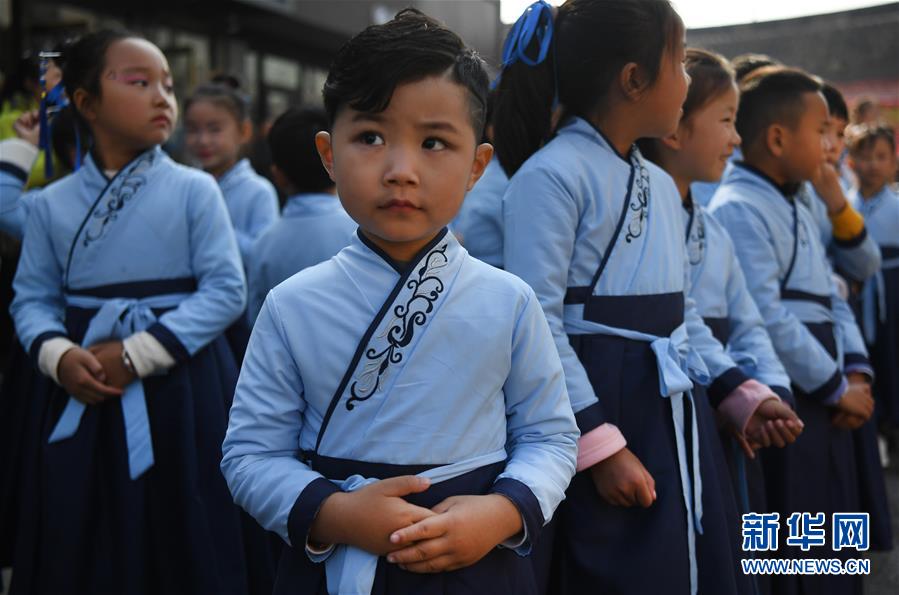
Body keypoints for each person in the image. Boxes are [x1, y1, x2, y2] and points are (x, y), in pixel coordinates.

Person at [220, 9, 578, 595]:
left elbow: (551, 437)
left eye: (435, 141)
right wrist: (335, 512)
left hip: (476, 559)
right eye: (370, 137)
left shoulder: (510, 301)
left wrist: (502, 512)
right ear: (329, 154)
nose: (401, 171)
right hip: (335, 559)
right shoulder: (291, 305)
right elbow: (249, 456)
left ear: (476, 167)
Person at [495, 2, 797, 594]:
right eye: (679, 61)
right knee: (619, 565)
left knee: (687, 558)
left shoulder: (660, 183)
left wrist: (739, 391)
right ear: (633, 79)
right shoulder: (550, 175)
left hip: (672, 406)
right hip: (603, 403)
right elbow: (535, 325)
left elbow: (678, 317)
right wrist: (599, 447)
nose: (686, 78)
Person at [4, 30, 250, 594]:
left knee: (184, 521)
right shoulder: (49, 205)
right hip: (82, 382)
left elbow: (225, 290)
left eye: (167, 84)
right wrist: (58, 355)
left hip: (180, 383)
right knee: (82, 525)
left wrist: (139, 353)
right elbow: (33, 299)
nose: (163, 96)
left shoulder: (195, 190)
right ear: (86, 103)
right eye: (139, 83)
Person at [708, 66, 883, 595]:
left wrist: (857, 370)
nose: (833, 146)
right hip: (794, 392)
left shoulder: (797, 203)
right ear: (780, 139)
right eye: (821, 131)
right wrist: (834, 385)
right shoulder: (738, 207)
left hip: (831, 381)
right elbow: (765, 316)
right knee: (788, 539)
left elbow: (834, 294)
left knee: (832, 531)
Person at [637, 49, 804, 595]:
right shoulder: (641, 227)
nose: (735, 141)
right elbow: (679, 323)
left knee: (743, 547)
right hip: (683, 404)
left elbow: (750, 321)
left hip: (739, 405)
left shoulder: (715, 229)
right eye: (726, 121)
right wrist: (740, 392)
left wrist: (768, 390)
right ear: (672, 129)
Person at [246, 106, 355, 323]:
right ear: (334, 160)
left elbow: (256, 322)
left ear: (278, 175)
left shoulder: (263, 244)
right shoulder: (362, 232)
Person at [183, 76, 279, 264]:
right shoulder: (185, 186)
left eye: (214, 129)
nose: (203, 140)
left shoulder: (259, 192)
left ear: (244, 131)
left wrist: (212, 223)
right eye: (193, 129)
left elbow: (263, 258)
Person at [797, 82, 881, 288]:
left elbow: (867, 264)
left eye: (840, 133)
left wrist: (840, 209)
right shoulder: (793, 189)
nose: (833, 144)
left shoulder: (839, 186)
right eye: (822, 130)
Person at [848, 124, 899, 444]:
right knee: (865, 358)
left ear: (894, 161)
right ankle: (874, 424)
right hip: (856, 294)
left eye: (881, 157)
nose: (873, 165)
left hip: (893, 294)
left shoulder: (896, 205)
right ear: (850, 161)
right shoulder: (842, 205)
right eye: (864, 157)